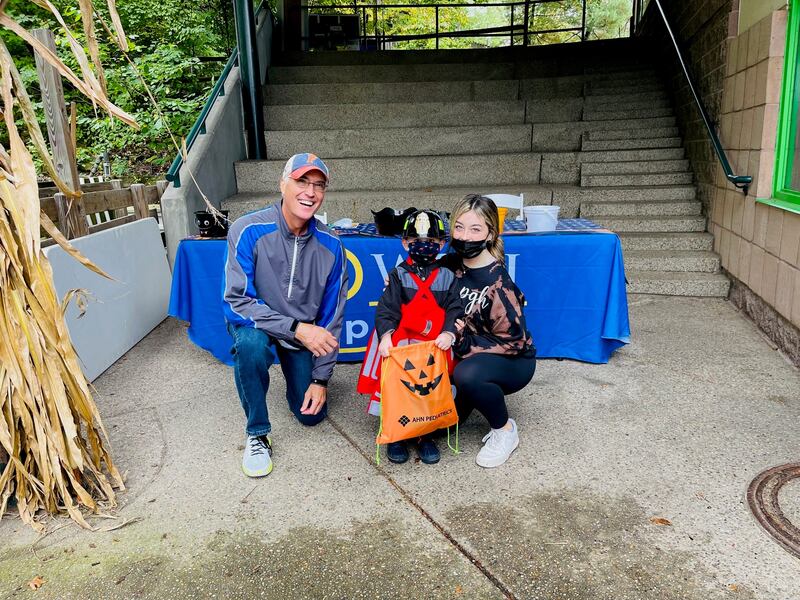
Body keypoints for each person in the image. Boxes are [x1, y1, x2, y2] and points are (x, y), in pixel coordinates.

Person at [223, 153, 348, 478]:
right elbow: (237, 302)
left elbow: (332, 318)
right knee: (250, 345)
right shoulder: (247, 229)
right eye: (302, 181)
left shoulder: (332, 245)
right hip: (259, 326)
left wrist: (320, 379)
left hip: (300, 333)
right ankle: (257, 433)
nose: (310, 192)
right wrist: (296, 328)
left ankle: (298, 377)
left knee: (311, 416)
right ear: (283, 184)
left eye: (318, 185)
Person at [357, 209, 462, 465]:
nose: (424, 245)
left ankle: (426, 434)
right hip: (402, 346)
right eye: (416, 241)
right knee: (398, 389)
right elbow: (387, 308)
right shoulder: (397, 275)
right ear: (405, 243)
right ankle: (396, 434)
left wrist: (449, 332)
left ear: (441, 244)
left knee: (430, 391)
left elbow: (455, 308)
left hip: (432, 346)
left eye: (431, 241)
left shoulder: (448, 276)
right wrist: (386, 336)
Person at [446, 194, 536, 468]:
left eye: (475, 229)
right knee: (439, 429)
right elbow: (416, 277)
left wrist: (464, 343)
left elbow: (515, 342)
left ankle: (505, 430)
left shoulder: (499, 283)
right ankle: (466, 396)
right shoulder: (450, 264)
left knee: (466, 375)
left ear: (490, 234)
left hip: (512, 361)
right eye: (459, 227)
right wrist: (396, 281)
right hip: (466, 354)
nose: (465, 236)